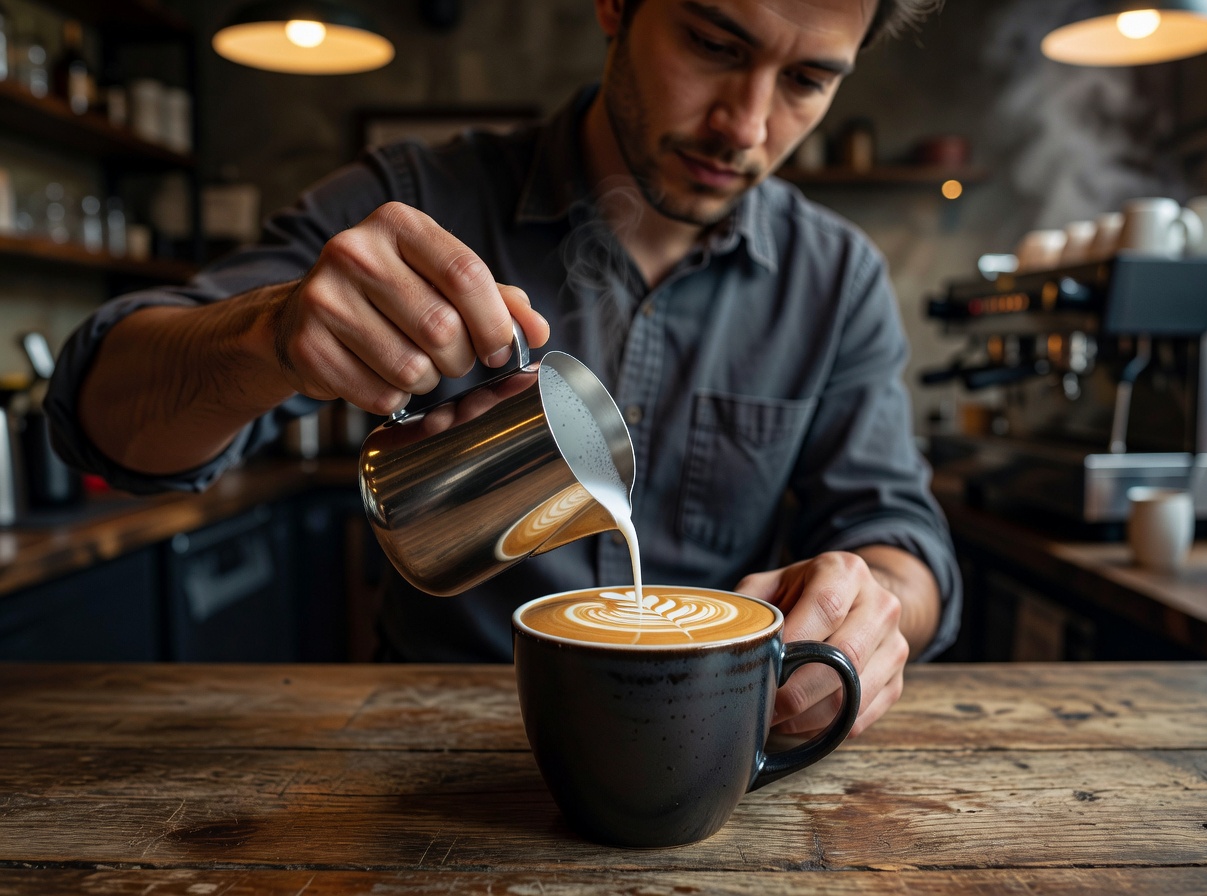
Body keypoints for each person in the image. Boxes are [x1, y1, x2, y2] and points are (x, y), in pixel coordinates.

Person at [46, 0, 958, 739]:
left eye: (805, 81)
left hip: (700, 743)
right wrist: (268, 334)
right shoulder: (417, 195)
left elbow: (897, 535)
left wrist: (873, 604)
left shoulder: (835, 279)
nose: (747, 125)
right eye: (715, 43)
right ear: (615, 7)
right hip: (423, 744)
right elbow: (103, 419)